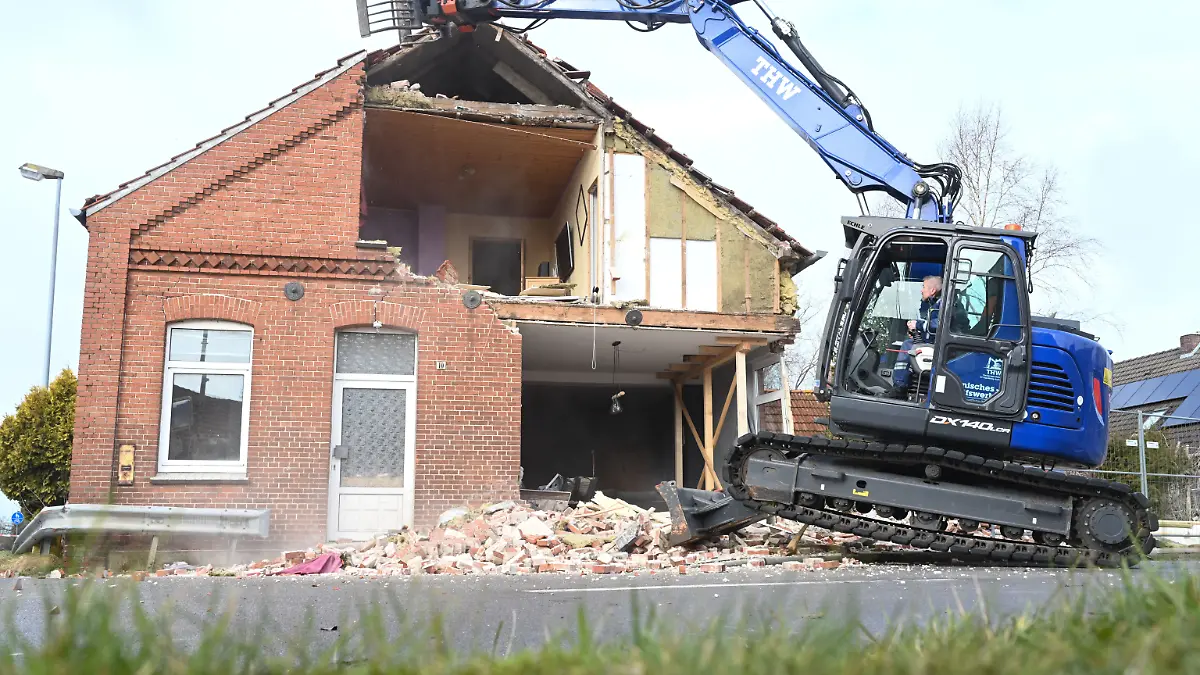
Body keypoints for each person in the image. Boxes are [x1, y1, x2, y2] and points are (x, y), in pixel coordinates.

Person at [891, 275, 950, 396]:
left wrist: (917, 325)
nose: (921, 290)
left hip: (941, 348)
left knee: (908, 345)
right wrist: (918, 333)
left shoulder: (943, 304)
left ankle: (900, 386)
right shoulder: (936, 304)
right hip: (939, 345)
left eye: (923, 287)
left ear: (932, 290)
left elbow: (939, 325)